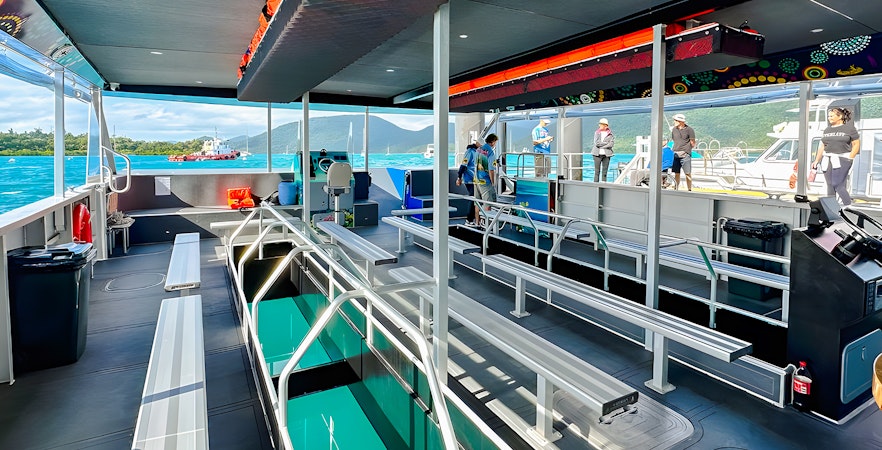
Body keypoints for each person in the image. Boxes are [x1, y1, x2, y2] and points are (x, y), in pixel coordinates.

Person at [812, 106, 860, 206]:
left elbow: (856, 144)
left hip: (843, 158)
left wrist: (850, 157)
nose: (829, 118)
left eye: (831, 116)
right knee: (830, 185)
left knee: (837, 184)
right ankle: (832, 208)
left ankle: (848, 206)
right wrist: (816, 160)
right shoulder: (827, 130)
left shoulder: (849, 128)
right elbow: (822, 146)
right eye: (829, 116)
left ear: (840, 116)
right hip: (827, 158)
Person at [474, 134, 498, 225]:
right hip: (485, 181)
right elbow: (491, 170)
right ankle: (488, 226)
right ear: (493, 142)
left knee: (478, 202)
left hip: (476, 179)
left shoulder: (478, 150)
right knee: (487, 203)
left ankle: (477, 223)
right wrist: (493, 182)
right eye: (495, 142)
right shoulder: (491, 152)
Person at [456, 142, 480, 226]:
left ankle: (474, 219)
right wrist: (459, 177)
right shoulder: (470, 151)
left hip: (476, 180)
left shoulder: (478, 152)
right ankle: (469, 220)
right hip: (469, 179)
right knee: (473, 197)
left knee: (476, 198)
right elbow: (463, 165)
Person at [671, 113, 696, 191]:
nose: (674, 122)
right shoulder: (674, 129)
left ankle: (689, 189)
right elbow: (674, 140)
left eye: (675, 120)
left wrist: (687, 150)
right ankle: (676, 188)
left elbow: (692, 142)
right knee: (676, 173)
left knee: (687, 173)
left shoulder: (689, 130)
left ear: (680, 121)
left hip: (685, 154)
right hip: (675, 154)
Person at [592, 118, 615, 182]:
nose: (600, 125)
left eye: (601, 124)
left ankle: (603, 185)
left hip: (606, 155)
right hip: (597, 154)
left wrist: (603, 146)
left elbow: (611, 144)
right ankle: (595, 186)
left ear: (606, 125)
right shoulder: (597, 133)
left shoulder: (610, 134)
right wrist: (606, 144)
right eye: (600, 124)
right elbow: (597, 143)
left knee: (605, 172)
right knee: (597, 172)